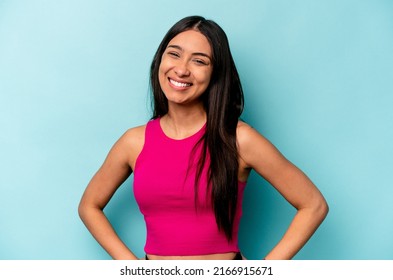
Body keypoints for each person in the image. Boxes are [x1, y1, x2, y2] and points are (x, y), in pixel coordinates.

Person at [78, 15, 328, 260]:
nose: (181, 69)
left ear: (215, 73)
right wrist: (132, 268)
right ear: (160, 60)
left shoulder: (239, 139)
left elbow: (313, 205)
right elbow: (89, 206)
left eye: (199, 61)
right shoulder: (134, 142)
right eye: (174, 54)